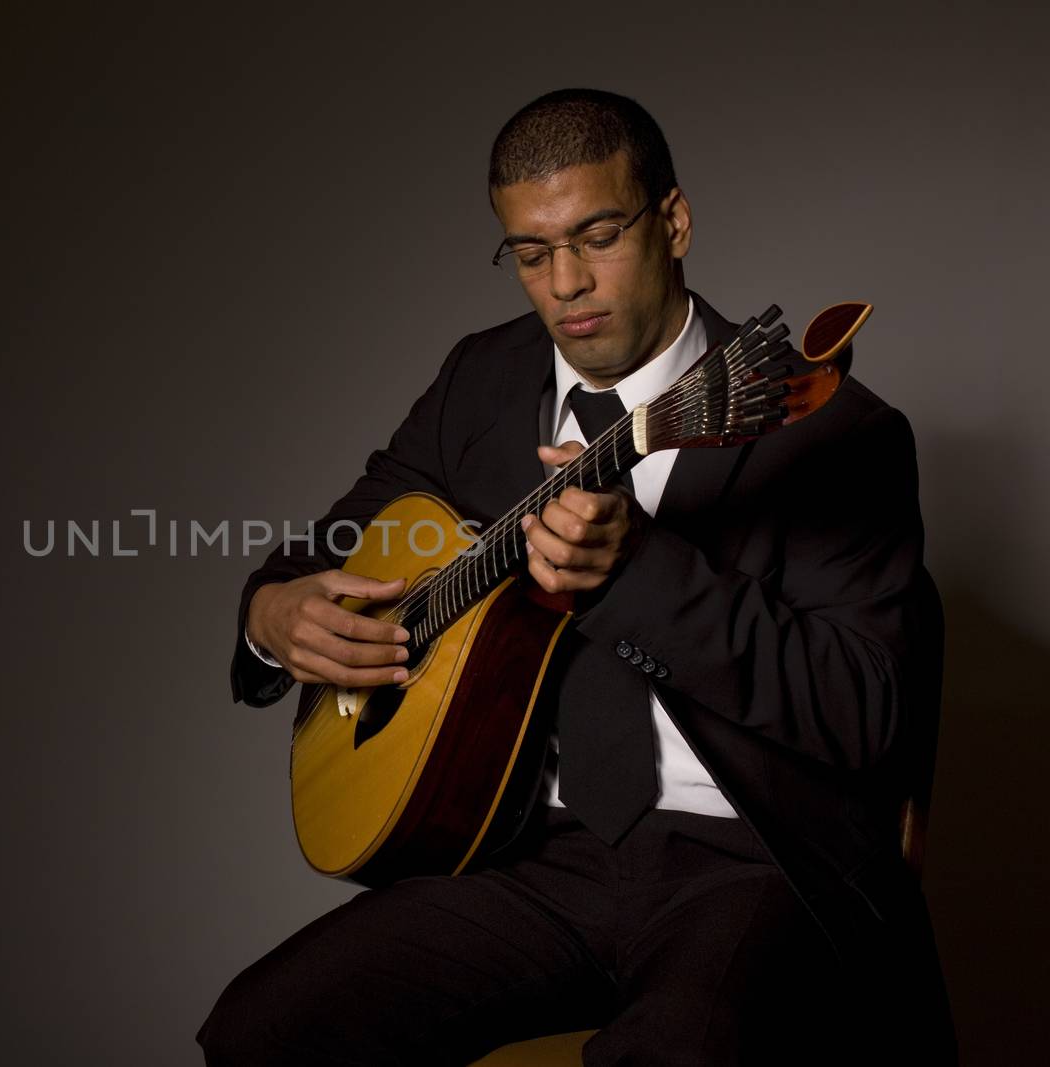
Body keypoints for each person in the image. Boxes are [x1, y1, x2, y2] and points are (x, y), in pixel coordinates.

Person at [196, 89, 956, 1066]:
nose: (565, 282)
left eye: (597, 235)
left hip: (747, 863)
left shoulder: (833, 434)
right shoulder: (484, 379)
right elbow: (335, 541)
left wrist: (636, 572)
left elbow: (863, 708)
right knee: (261, 1030)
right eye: (530, 251)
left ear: (671, 220)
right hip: (530, 853)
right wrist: (271, 611)